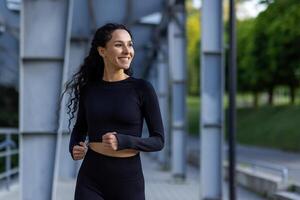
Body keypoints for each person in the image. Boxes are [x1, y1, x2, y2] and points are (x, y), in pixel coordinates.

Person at [64, 23, 164, 200]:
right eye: (119, 45)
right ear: (102, 51)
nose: (127, 50)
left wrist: (124, 140)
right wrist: (74, 146)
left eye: (130, 44)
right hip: (90, 179)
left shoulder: (142, 89)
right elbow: (80, 128)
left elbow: (158, 141)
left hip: (128, 181)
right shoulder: (89, 89)